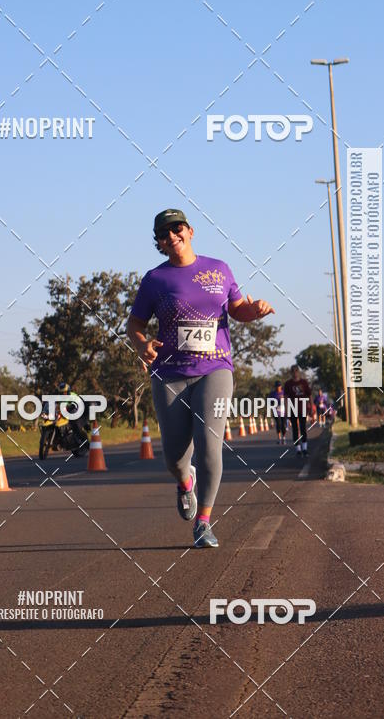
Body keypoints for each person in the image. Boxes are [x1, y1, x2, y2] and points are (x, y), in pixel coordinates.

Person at [126, 209, 274, 548]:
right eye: (163, 234)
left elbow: (237, 309)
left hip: (215, 369)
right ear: (159, 243)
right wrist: (142, 344)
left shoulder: (218, 269)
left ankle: (204, 522)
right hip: (169, 374)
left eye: (177, 228)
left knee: (210, 446)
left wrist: (256, 310)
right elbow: (134, 325)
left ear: (190, 231)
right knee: (174, 457)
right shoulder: (154, 280)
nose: (171, 236)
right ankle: (184, 481)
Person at [283, 365, 312, 458]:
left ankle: (305, 448)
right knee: (295, 429)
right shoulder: (288, 384)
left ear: (298, 372)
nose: (295, 373)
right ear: (291, 373)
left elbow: (309, 395)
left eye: (296, 371)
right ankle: (298, 449)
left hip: (303, 407)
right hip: (292, 408)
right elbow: (286, 398)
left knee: (303, 428)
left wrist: (311, 406)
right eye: (293, 371)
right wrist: (287, 411)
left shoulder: (304, 382)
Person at [268, 380, 286, 445]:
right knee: (278, 424)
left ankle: (283, 437)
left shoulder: (284, 393)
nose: (278, 387)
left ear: (281, 386)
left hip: (283, 411)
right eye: (276, 386)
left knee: (283, 425)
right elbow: (269, 402)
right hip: (276, 411)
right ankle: (279, 438)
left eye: (279, 386)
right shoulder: (272, 393)